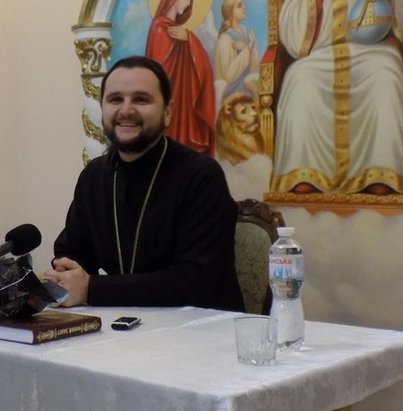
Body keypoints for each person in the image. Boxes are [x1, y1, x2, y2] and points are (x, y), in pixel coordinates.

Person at [43, 56, 244, 311]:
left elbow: (196, 279)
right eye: (115, 99)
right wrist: (65, 272)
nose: (126, 110)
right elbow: (72, 249)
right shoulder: (95, 175)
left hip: (200, 331)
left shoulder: (201, 176)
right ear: (102, 107)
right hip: (121, 324)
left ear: (168, 112)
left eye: (141, 99)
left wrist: (92, 289)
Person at [271, 0, 403, 195]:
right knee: (300, 82)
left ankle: (382, 173)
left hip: (374, 51)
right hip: (321, 55)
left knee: (386, 80)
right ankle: (304, 173)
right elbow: (293, 35)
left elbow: (399, 19)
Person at [145, 0, 216, 156]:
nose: (188, 4)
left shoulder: (178, 30)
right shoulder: (159, 27)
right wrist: (186, 41)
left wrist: (189, 39)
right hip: (170, 96)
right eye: (185, 0)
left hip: (184, 96)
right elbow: (160, 69)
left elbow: (201, 66)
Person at [213, 0, 259, 101]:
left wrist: (250, 46)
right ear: (230, 12)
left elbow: (255, 68)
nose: (244, 7)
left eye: (243, 4)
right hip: (233, 94)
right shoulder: (225, 39)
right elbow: (229, 75)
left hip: (248, 89)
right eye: (239, 5)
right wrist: (248, 48)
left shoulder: (247, 33)